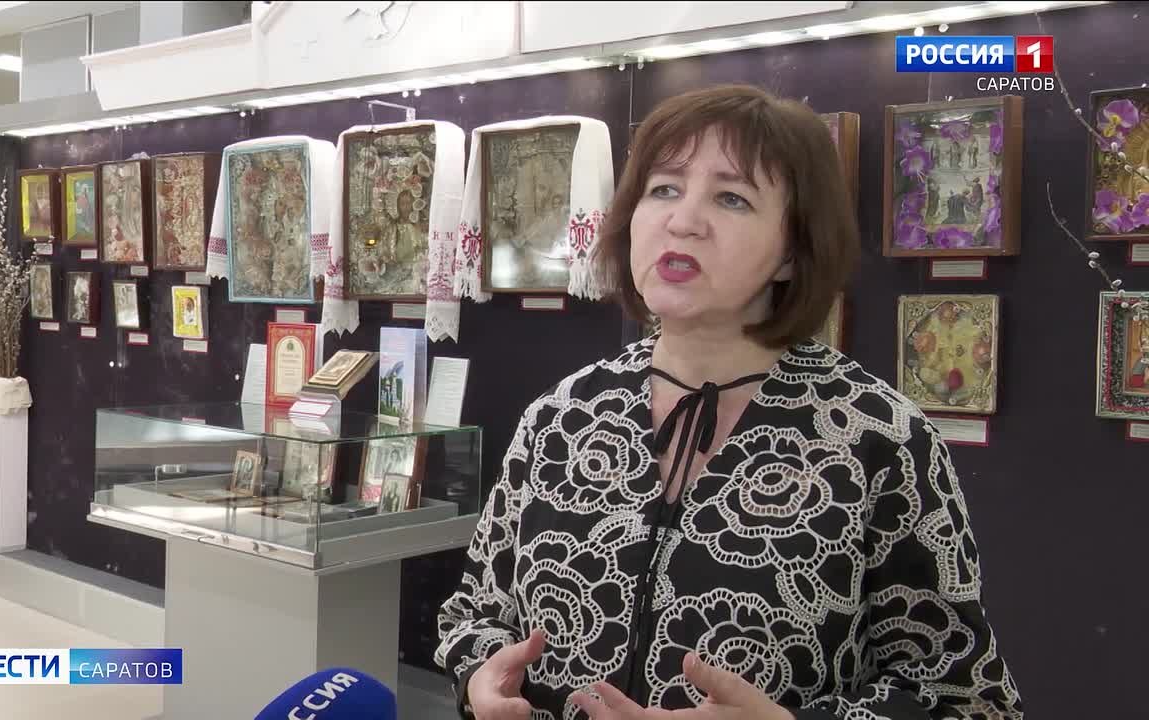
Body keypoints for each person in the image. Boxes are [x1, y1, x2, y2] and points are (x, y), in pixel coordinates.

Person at [435, 84, 1022, 720]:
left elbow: (969, 701)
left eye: (732, 198)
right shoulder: (563, 416)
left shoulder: (877, 439)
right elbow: (475, 612)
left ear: (792, 250)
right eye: (664, 189)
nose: (683, 220)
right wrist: (477, 677)